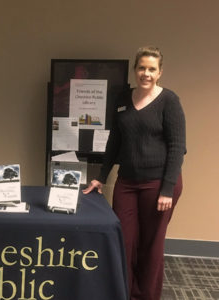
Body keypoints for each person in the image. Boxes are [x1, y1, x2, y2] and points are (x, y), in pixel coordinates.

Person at [83, 46, 186, 300]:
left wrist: (166, 189)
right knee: (124, 240)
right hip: (127, 182)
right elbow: (114, 141)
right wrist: (102, 176)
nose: (146, 73)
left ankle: (146, 296)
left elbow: (177, 147)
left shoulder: (169, 101)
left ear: (160, 72)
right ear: (135, 69)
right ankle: (123, 292)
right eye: (142, 68)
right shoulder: (122, 98)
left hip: (159, 184)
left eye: (152, 69)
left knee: (151, 246)